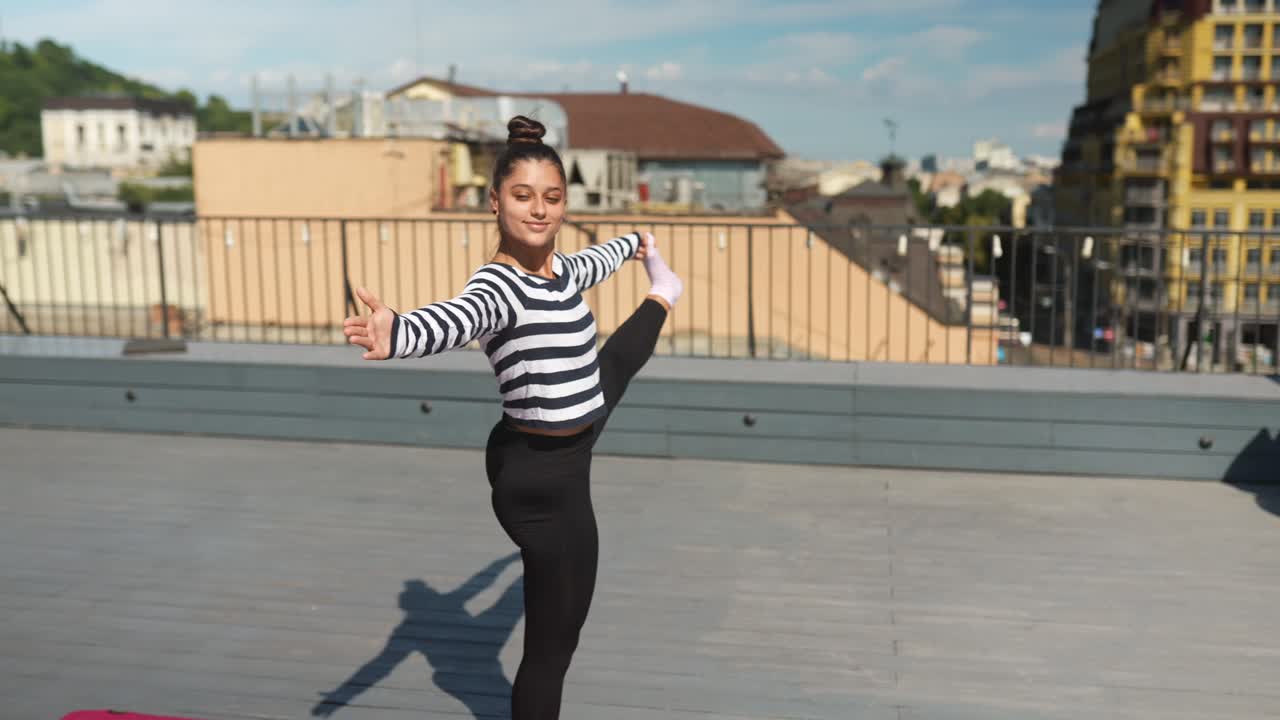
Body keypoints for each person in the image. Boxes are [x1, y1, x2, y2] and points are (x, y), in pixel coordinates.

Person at [341, 115, 683, 719]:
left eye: (552, 198)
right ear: (494, 201)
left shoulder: (561, 273)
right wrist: (399, 332)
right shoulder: (499, 287)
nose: (539, 210)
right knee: (550, 652)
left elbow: (593, 262)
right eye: (523, 197)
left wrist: (633, 245)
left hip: (572, 444)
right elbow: (454, 318)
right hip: (541, 481)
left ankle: (664, 290)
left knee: (613, 371)